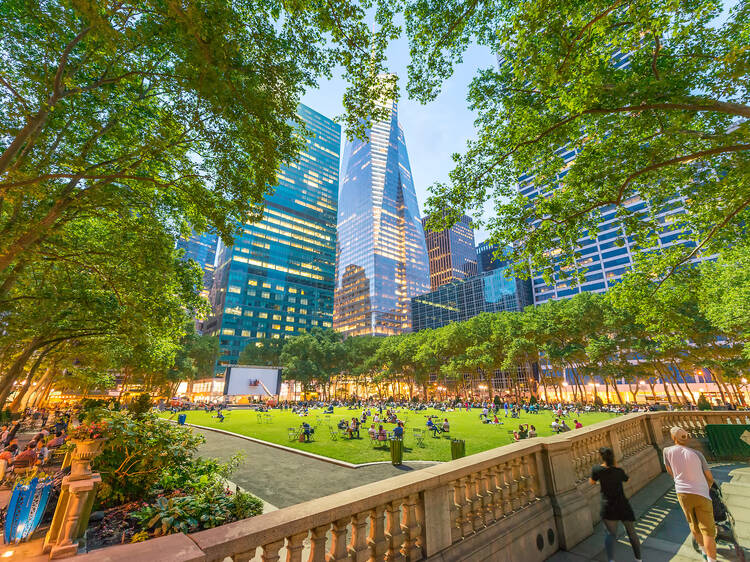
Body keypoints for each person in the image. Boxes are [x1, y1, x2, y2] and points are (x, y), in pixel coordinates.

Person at [664, 427, 717, 562]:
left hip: (682, 492)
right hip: (701, 492)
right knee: (708, 529)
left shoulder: (667, 451)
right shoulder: (697, 454)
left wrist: (679, 479)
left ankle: (704, 552)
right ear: (686, 438)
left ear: (673, 438)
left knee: (692, 523)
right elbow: (709, 477)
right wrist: (708, 486)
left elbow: (670, 471)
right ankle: (712, 559)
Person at [590, 447, 642, 562]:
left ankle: (611, 560)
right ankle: (638, 559)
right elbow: (627, 479)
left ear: (601, 457)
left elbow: (592, 482)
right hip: (623, 505)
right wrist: (615, 466)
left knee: (610, 535)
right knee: (632, 533)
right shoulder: (618, 471)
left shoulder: (597, 470)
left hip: (608, 506)